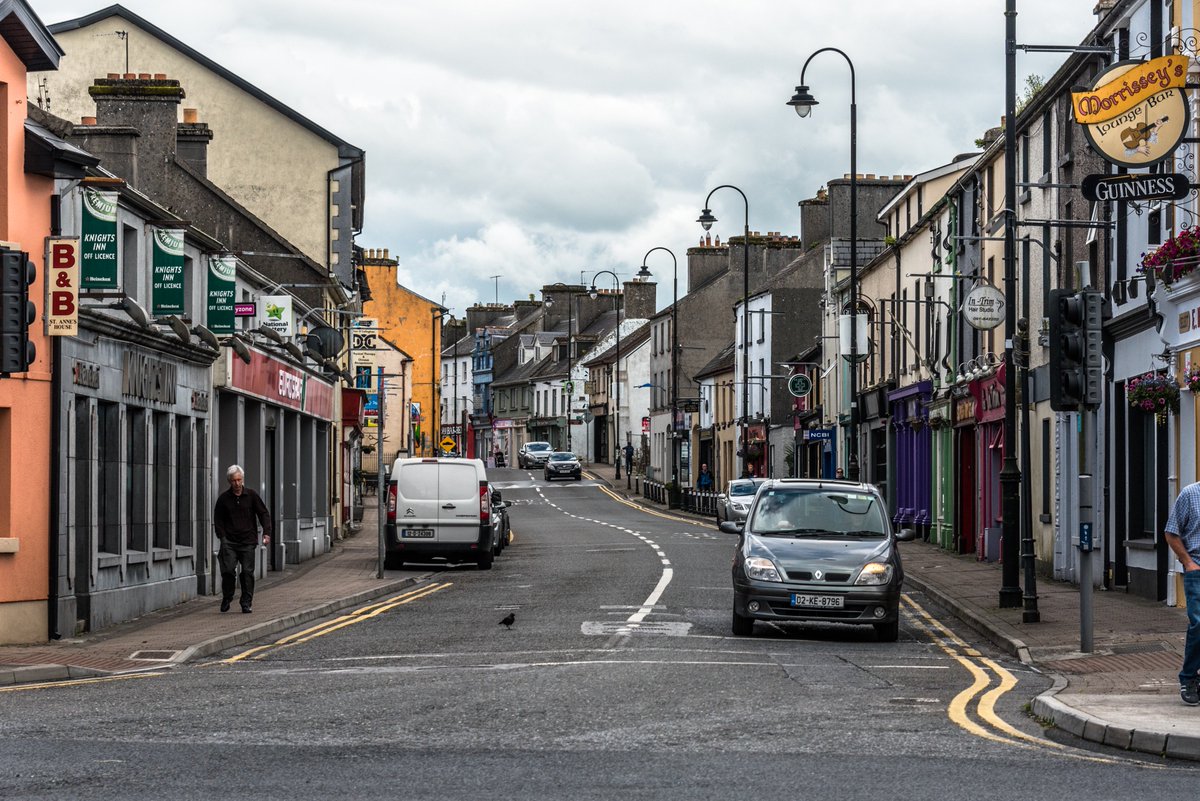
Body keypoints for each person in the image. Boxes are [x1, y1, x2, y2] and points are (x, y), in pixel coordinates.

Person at [214, 464, 272, 614]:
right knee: (227, 571)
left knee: (247, 572)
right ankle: (227, 596)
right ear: (229, 481)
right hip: (230, 542)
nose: (237, 483)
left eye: (239, 480)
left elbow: (263, 514)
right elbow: (218, 519)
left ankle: (246, 602)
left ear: (243, 480)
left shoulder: (251, 496)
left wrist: (266, 532)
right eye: (234, 481)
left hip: (247, 541)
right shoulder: (223, 499)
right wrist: (223, 537)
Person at [1165, 482, 1200, 706]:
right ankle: (1188, 678)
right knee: (1199, 624)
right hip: (1197, 569)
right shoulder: (1190, 494)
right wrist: (1187, 563)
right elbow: (1171, 532)